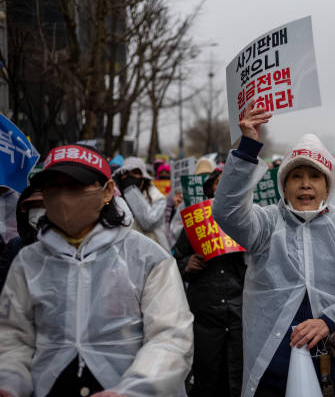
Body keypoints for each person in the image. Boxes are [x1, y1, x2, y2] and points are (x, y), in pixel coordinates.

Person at [212, 102, 335, 397]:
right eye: (296, 176)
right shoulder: (265, 223)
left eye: (315, 176)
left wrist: (329, 321)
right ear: (284, 185)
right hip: (270, 363)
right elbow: (227, 211)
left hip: (326, 362)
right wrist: (248, 147)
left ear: (328, 186)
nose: (305, 184)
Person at [0, 144, 193, 397]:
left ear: (108, 191)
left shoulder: (147, 257)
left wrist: (135, 389)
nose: (62, 197)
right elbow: (13, 338)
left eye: (75, 186)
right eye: (53, 187)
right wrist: (10, 383)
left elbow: (170, 337)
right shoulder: (29, 261)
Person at [172, 166, 246, 397]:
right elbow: (174, 259)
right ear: (211, 188)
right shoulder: (195, 221)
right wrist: (187, 264)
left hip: (241, 310)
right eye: (218, 183)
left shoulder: (249, 219)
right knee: (207, 375)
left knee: (239, 374)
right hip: (205, 312)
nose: (223, 187)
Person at [113, 157, 170, 250]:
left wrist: (130, 191)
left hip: (153, 254)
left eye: (135, 173)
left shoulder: (158, 198)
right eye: (126, 173)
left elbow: (149, 222)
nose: (129, 177)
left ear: (143, 179)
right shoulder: (115, 200)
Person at [0, 186, 45, 292]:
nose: (38, 211)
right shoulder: (15, 246)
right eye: (33, 206)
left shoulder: (68, 246)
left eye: (42, 205)